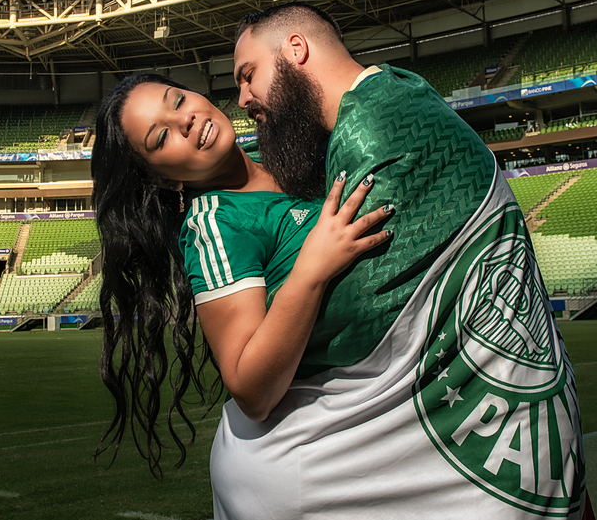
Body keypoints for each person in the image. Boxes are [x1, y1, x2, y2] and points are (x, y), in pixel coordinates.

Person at [226, 2, 590, 519]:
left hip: (500, 459)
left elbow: (356, 316)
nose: (242, 99)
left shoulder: (371, 130)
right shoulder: (398, 90)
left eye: (249, 75)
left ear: (296, 50)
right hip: (529, 433)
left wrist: (251, 334)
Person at [91, 72, 391, 480]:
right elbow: (251, 390)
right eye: (161, 139)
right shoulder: (216, 224)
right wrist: (312, 270)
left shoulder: (285, 154)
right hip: (326, 458)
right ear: (161, 178)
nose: (186, 121)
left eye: (177, 100)